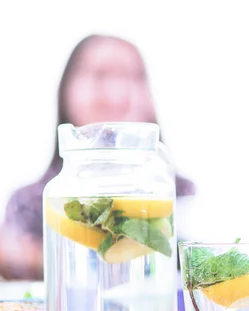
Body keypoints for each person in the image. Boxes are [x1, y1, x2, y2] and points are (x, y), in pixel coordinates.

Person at [0, 34, 195, 280]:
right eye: (100, 75)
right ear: (66, 89)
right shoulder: (32, 201)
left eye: (132, 76)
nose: (116, 92)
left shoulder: (180, 193)